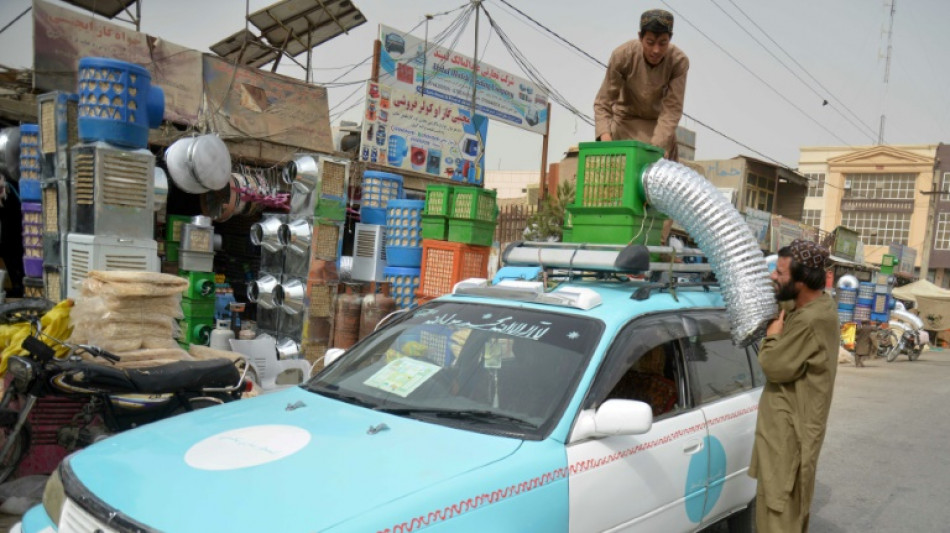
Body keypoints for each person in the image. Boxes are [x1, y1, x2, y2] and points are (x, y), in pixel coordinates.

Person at [749, 239, 839, 531]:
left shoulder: (810, 321)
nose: (773, 276)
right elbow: (785, 301)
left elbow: (774, 366)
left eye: (780, 272)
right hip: (783, 433)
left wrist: (773, 335)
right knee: (776, 505)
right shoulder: (812, 304)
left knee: (780, 511)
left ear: (801, 281)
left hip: (791, 436)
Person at [593, 8, 689, 160]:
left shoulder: (678, 62)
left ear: (670, 39)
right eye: (650, 43)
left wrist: (656, 148)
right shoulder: (622, 56)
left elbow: (672, 110)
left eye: (663, 43)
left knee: (661, 170)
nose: (656, 50)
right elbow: (603, 102)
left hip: (659, 128)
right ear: (640, 37)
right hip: (624, 123)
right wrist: (606, 139)